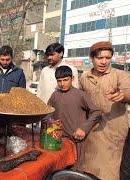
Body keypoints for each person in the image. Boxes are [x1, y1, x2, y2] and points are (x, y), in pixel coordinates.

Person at [79, 41, 130, 180]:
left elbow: (127, 91)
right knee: (88, 169)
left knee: (110, 173)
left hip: (113, 131)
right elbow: (81, 100)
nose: (104, 62)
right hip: (92, 130)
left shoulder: (120, 75)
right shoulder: (84, 77)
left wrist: (123, 95)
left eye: (108, 58)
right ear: (91, 58)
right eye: (100, 58)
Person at [47, 66, 101, 170]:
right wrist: (50, 123)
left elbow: (96, 112)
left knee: (75, 170)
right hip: (59, 141)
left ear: (72, 78)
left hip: (77, 140)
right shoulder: (55, 95)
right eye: (59, 81)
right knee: (59, 168)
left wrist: (84, 129)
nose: (62, 84)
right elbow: (48, 111)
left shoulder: (80, 95)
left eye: (65, 80)